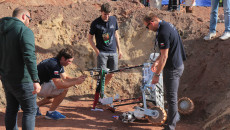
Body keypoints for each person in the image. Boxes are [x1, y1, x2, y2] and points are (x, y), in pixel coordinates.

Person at [0, 7, 41, 130]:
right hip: (23, 80)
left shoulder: (2, 31)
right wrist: (35, 80)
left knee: (11, 110)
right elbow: (29, 57)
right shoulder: (24, 31)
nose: (29, 22)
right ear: (24, 16)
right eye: (30, 19)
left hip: (7, 79)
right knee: (29, 111)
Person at [143, 13, 186, 130]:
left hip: (172, 68)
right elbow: (165, 53)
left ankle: (170, 126)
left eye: (147, 27)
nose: (148, 29)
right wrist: (156, 62)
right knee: (171, 96)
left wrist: (156, 75)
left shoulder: (162, 33)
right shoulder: (167, 25)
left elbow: (164, 56)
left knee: (171, 98)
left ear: (151, 23)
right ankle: (174, 117)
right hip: (178, 64)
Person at [88, 2, 122, 110]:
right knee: (102, 75)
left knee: (111, 74)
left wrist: (119, 50)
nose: (106, 16)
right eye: (104, 14)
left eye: (108, 14)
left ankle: (101, 90)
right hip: (102, 52)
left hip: (113, 52)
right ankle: (100, 94)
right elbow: (89, 38)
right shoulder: (95, 23)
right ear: (101, 12)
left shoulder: (113, 20)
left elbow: (116, 34)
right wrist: (96, 50)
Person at [36, 47, 86, 120]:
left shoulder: (57, 62)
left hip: (38, 84)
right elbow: (59, 85)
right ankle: (51, 113)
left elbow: (65, 78)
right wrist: (75, 82)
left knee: (56, 97)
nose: (70, 63)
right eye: (69, 61)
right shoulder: (54, 65)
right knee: (64, 89)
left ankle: (35, 106)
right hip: (35, 87)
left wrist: (77, 78)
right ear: (63, 58)